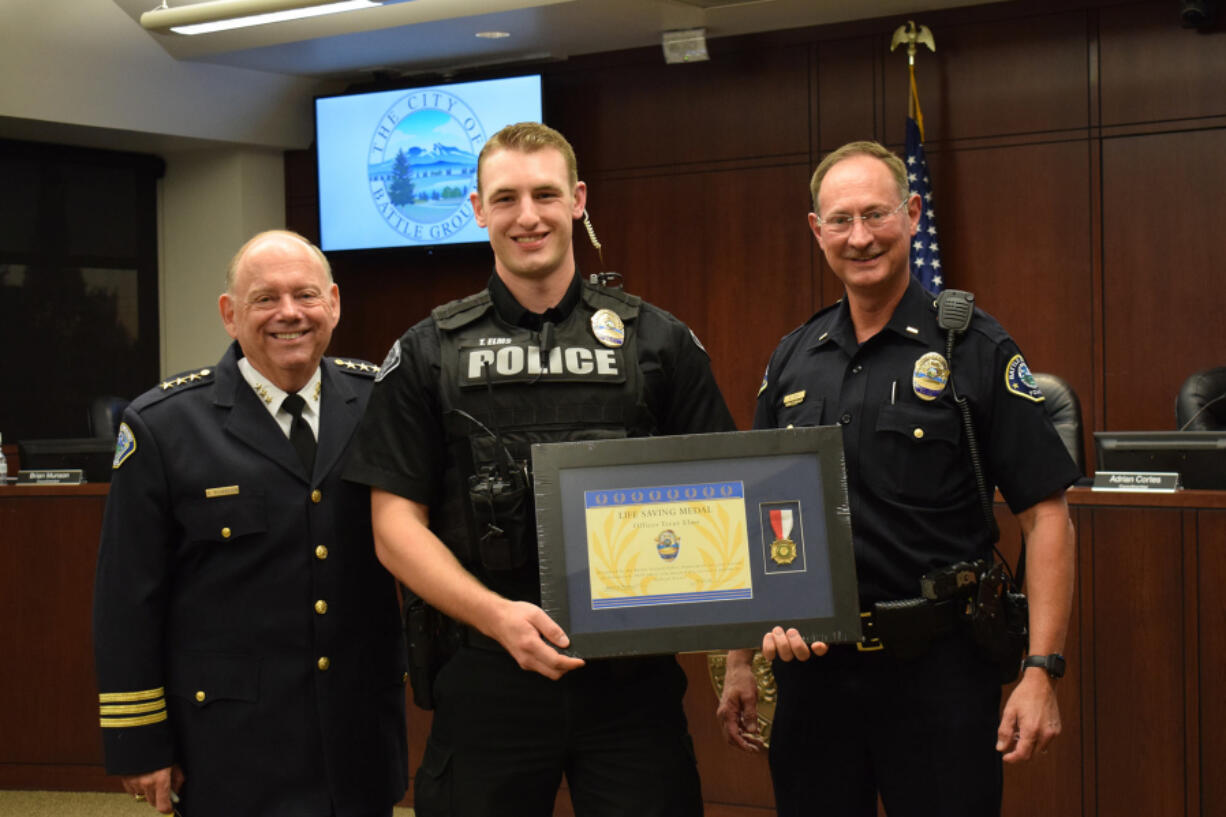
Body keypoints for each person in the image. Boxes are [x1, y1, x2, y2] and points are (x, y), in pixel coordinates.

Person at [344, 121, 735, 817]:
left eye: (546, 194)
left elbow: (722, 495)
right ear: (476, 209)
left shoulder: (659, 341)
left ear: (578, 200)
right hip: (487, 668)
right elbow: (393, 525)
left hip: (630, 682)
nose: (527, 216)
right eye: (506, 198)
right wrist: (498, 618)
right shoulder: (428, 352)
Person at [716, 141, 1080, 816]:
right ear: (816, 229)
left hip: (938, 672)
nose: (860, 237)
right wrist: (741, 656)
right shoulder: (793, 358)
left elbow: (1046, 515)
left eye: (877, 214)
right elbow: (757, 514)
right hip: (813, 674)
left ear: (912, 214)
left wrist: (1041, 670)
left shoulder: (975, 349)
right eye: (841, 219)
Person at [93, 230, 408, 817]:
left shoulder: (380, 403)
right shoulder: (164, 426)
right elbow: (126, 600)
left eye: (306, 295)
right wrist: (139, 741)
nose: (289, 313)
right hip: (230, 745)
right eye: (265, 299)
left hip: (358, 738)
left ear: (334, 304)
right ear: (229, 314)